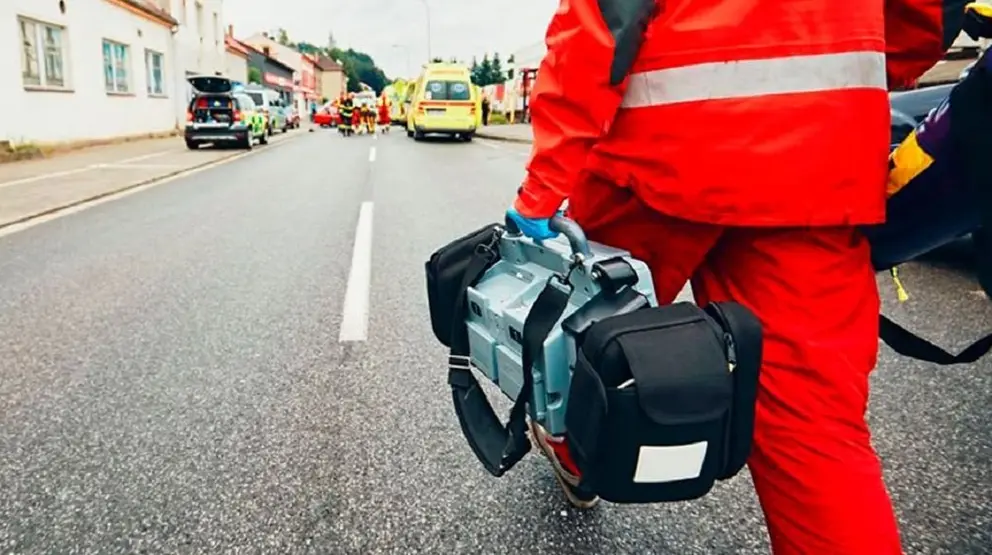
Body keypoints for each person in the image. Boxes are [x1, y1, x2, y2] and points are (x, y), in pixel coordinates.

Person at [505, 0, 966, 553]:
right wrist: (825, 82)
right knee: (813, 435)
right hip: (813, 167)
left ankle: (577, 445)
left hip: (654, 159)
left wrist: (544, 183)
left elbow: (601, 22)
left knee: (583, 337)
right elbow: (928, 16)